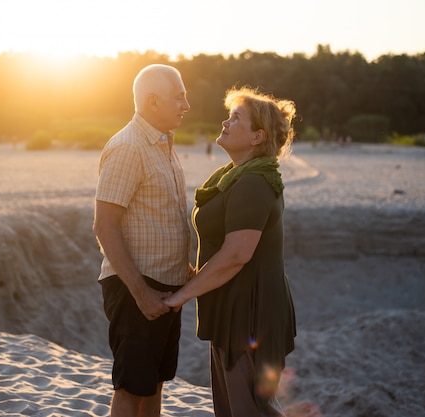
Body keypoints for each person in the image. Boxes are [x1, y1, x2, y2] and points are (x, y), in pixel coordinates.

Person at [164, 86, 297, 416]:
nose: (225, 122)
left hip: (248, 315)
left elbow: (237, 254)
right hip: (235, 309)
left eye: (236, 118)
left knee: (246, 408)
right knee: (243, 407)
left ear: (257, 137)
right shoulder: (237, 177)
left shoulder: (253, 182)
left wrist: (180, 296)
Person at [93, 64, 193, 417]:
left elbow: (161, 217)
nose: (186, 104)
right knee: (131, 389)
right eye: (179, 97)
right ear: (152, 101)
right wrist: (141, 293)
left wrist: (185, 271)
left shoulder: (163, 143)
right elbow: (104, 225)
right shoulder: (128, 147)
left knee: (154, 384)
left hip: (167, 288)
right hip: (136, 288)